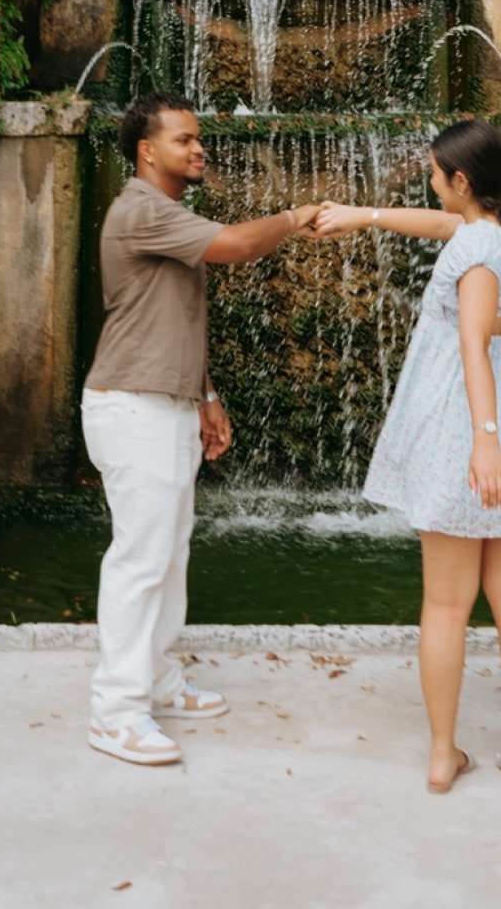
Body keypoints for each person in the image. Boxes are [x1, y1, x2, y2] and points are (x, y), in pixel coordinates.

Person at [315, 118, 501, 795]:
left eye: (435, 174)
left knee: (447, 606)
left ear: (462, 181)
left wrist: (484, 439)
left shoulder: (477, 255)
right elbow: (444, 228)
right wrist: (366, 216)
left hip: (468, 432)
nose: (429, 181)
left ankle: (444, 755)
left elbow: (473, 343)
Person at [82, 92, 320, 766]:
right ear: (145, 150)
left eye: (199, 139)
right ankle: (116, 711)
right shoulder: (140, 211)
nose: (199, 149)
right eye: (184, 140)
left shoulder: (166, 214)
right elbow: (240, 245)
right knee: (139, 559)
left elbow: (171, 317)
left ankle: (156, 678)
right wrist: (298, 216)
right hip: (132, 407)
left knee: (169, 553)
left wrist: (206, 395)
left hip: (167, 402)